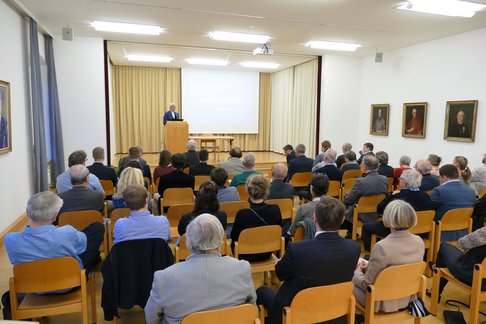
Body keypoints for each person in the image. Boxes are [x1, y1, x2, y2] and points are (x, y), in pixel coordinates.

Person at [257, 197, 361, 324]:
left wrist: (280, 263)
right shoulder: (354, 248)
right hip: (334, 311)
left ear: (315, 219)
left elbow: (280, 274)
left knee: (261, 291)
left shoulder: (297, 249)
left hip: (295, 312)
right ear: (343, 220)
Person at [144, 214, 256, 324]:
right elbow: (252, 307)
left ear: (189, 242)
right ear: (221, 241)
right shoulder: (242, 268)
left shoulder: (164, 278)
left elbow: (151, 318)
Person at [5, 191, 104, 273]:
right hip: (69, 283)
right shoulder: (67, 232)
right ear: (55, 216)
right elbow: (82, 246)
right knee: (97, 228)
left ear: (27, 212)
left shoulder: (10, 240)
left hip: (32, 287)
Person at [353, 200, 425, 312]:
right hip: (407, 298)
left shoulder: (382, 247)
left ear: (388, 218)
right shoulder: (419, 242)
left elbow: (367, 283)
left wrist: (356, 273)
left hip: (380, 302)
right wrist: (368, 266)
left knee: (345, 282)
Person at [361, 170, 432, 251]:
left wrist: (391, 195)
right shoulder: (426, 196)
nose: (398, 180)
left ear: (404, 183)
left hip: (398, 230)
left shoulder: (397, 197)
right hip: (422, 231)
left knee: (366, 227)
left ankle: (372, 252)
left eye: (400, 179)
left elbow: (379, 209)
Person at [231, 175, 282, 262]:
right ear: (266, 191)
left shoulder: (242, 214)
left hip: (245, 255)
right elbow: (279, 229)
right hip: (267, 251)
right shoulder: (275, 209)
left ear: (248, 191)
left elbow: (234, 236)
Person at [432, 226, 486, 300]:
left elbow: (462, 243)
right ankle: (436, 269)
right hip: (483, 280)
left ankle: (435, 292)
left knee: (444, 246)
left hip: (470, 276)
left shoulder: (484, 233)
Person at [343, 155, 388, 236]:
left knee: (344, 205)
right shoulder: (385, 179)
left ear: (365, 167)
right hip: (377, 212)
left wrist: (345, 197)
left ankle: (351, 232)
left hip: (362, 214)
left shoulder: (360, 182)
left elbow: (349, 200)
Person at [431, 164, 476, 241]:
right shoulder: (471, 191)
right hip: (463, 231)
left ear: (444, 177)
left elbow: (431, 210)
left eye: (440, 177)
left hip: (441, 231)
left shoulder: (439, 190)